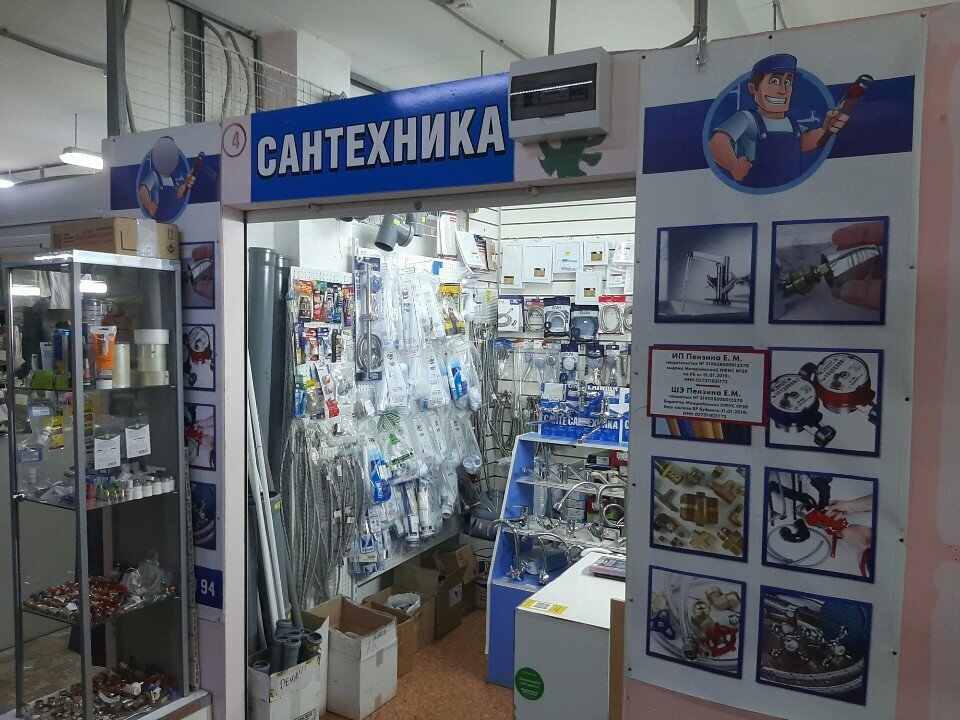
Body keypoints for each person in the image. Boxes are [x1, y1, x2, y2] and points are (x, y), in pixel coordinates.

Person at [708, 54, 848, 188]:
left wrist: (825, 130)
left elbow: (804, 142)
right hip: (757, 195)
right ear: (753, 88)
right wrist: (734, 166)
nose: (783, 90)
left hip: (791, 193)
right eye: (774, 81)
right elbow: (717, 142)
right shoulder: (747, 118)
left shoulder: (792, 123)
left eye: (787, 82)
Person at [138, 136, 196, 222]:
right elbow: (143, 191)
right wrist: (149, 206)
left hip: (173, 220)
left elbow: (178, 195)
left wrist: (186, 184)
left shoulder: (173, 180)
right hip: (159, 220)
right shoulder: (153, 176)